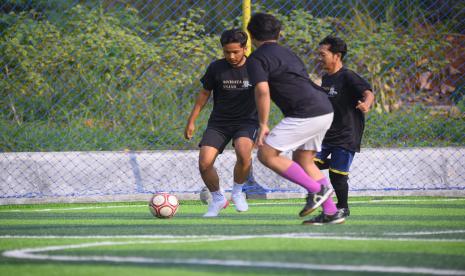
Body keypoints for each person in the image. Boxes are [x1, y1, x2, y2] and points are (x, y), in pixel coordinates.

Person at [246, 13, 345, 225]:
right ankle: (331, 212)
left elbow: (262, 91)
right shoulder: (288, 53)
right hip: (323, 108)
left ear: (251, 35)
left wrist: (263, 124)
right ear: (279, 34)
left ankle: (317, 190)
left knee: (266, 154)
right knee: (304, 160)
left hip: (306, 112)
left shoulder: (256, 58)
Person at [184, 29, 258, 217]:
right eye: (227, 52)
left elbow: (265, 93)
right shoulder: (216, 68)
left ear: (244, 48)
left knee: (243, 153)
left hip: (246, 121)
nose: (231, 56)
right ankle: (218, 198)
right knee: (204, 163)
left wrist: (264, 123)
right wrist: (191, 120)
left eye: (236, 52)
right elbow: (204, 94)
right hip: (219, 123)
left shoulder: (256, 67)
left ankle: (237, 192)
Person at [315, 35, 375, 218]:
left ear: (337, 55)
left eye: (323, 54)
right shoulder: (326, 79)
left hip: (347, 134)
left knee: (337, 175)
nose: (319, 57)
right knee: (308, 162)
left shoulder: (348, 76)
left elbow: (368, 92)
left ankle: (342, 207)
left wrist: (366, 104)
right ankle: (325, 195)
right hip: (327, 134)